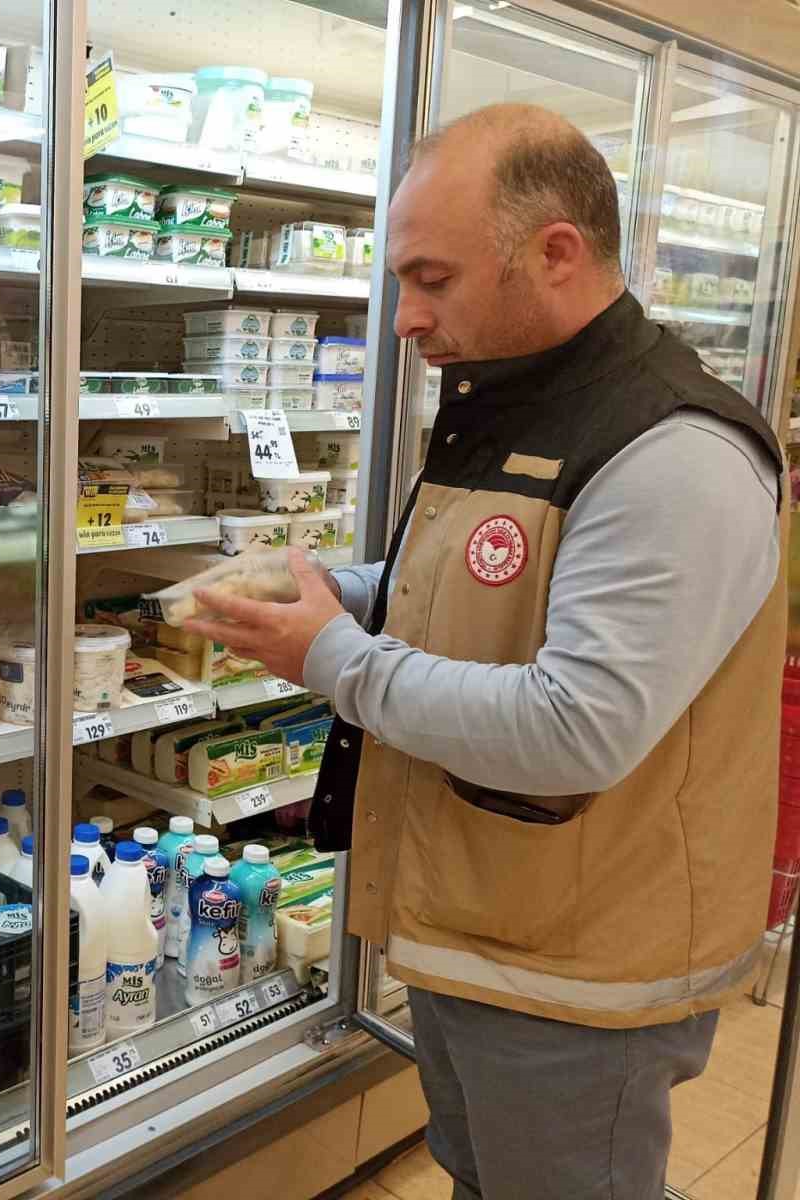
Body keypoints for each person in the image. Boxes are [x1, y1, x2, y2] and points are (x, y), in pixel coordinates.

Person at [183, 103, 786, 1199]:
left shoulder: (673, 452)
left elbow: (574, 729)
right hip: (485, 921)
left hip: (582, 966)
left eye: (433, 278)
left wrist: (330, 657)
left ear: (554, 252)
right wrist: (336, 593)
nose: (405, 317)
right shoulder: (510, 402)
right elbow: (468, 591)